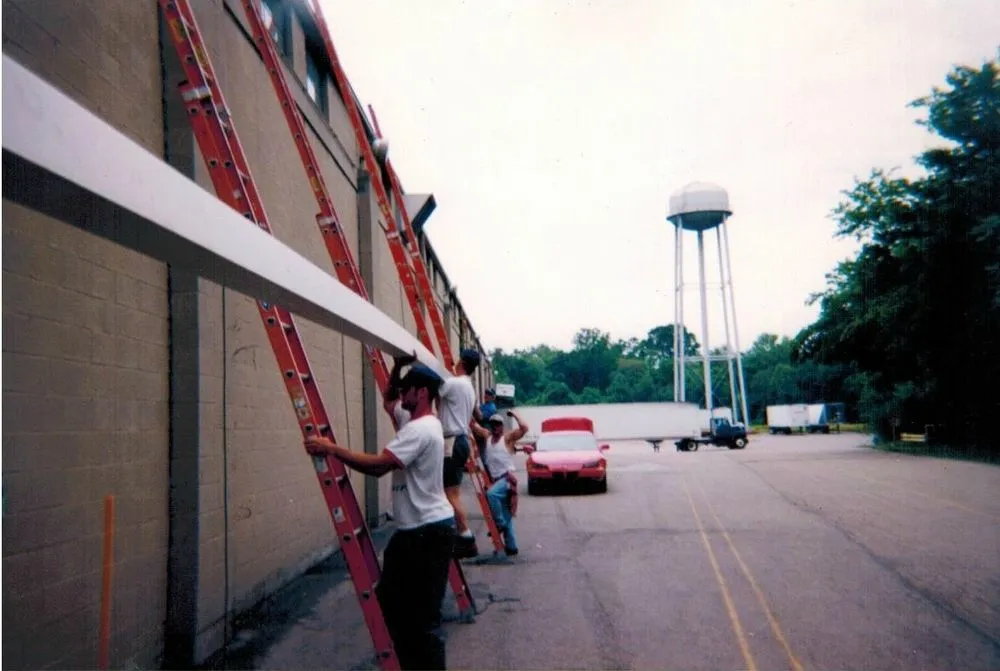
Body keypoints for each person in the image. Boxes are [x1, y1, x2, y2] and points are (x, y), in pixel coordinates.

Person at [304, 358, 455, 670]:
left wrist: (331, 449)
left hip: (426, 533)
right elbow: (389, 402)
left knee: (423, 619)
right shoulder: (421, 421)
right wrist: (397, 368)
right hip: (419, 530)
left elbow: (379, 466)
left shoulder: (420, 430)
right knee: (391, 602)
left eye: (407, 391)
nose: (401, 396)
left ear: (422, 393)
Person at [436, 348, 482, 558]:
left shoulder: (453, 384)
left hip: (452, 441)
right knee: (453, 492)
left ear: (461, 363)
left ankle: (465, 536)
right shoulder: (468, 388)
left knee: (450, 493)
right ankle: (463, 535)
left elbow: (433, 391)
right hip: (460, 439)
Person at [479, 410, 530, 556]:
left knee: (491, 495)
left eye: (497, 424)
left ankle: (499, 523)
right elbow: (474, 426)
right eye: (492, 424)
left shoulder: (507, 438)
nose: (495, 427)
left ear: (502, 426)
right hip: (495, 480)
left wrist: (514, 415)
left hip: (506, 480)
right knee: (506, 513)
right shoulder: (487, 437)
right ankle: (512, 547)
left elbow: (525, 428)